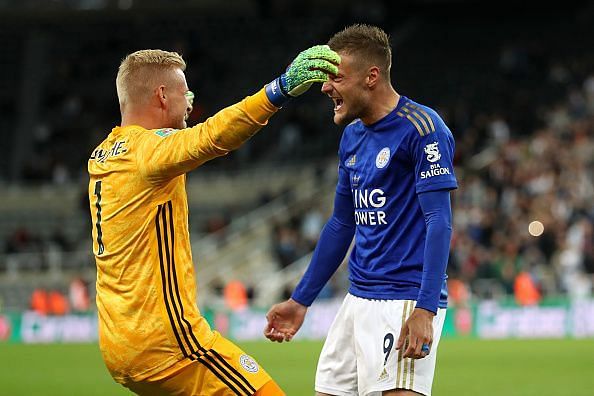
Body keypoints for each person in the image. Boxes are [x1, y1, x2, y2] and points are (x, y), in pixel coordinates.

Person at [88, 46, 339, 395]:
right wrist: (280, 89)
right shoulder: (148, 151)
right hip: (169, 345)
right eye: (185, 92)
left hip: (119, 345)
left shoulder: (103, 155)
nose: (190, 103)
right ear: (162, 96)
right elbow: (212, 137)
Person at [264, 24, 458, 396]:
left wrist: (425, 308)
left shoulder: (423, 128)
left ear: (371, 77)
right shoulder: (352, 135)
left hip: (404, 299)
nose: (324, 87)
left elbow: (439, 219)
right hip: (358, 298)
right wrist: (301, 299)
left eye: (335, 77)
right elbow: (341, 224)